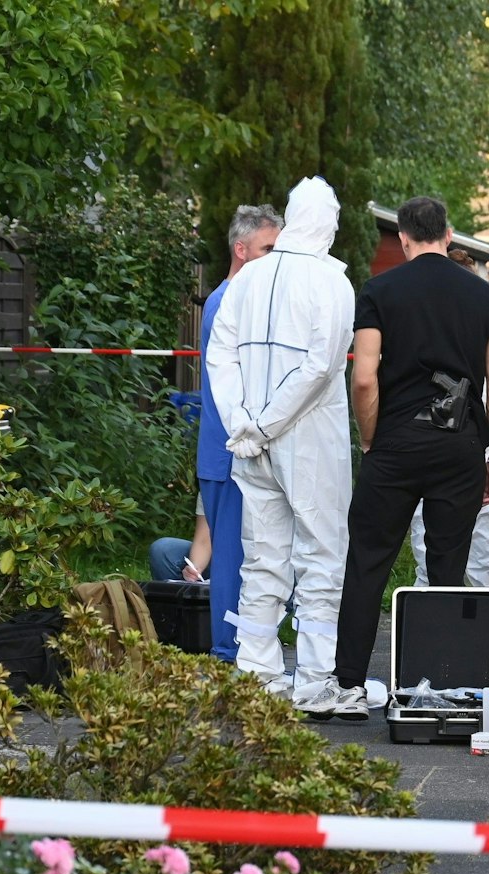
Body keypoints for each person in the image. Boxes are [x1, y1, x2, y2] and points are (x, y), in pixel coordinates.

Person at [330, 199, 489, 719]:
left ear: (405, 239)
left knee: (368, 560)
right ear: (449, 235)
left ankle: (347, 685)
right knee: (448, 565)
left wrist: (370, 440)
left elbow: (363, 377)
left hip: (395, 442)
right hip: (458, 446)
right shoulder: (487, 299)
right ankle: (436, 681)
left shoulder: (380, 291)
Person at [206, 176, 356, 715]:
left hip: (251, 441)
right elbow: (322, 366)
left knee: (263, 556)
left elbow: (219, 354)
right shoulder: (332, 283)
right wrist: (264, 423)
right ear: (328, 224)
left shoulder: (249, 278)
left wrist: (242, 421)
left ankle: (257, 672)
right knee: (320, 555)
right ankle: (315, 680)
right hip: (307, 437)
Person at [407, 247, 489, 587]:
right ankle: (487, 638)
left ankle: (425, 638)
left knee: (431, 562)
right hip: (486, 446)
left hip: (436, 444)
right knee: (484, 565)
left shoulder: (434, 317)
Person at [194, 204, 282, 662]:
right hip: (228, 451)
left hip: (235, 448)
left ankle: (243, 644)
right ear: (241, 250)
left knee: (249, 554)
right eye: (269, 248)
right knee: (230, 556)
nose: (277, 258)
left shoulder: (240, 300)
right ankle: (229, 650)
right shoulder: (227, 304)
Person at [149, 505, 211, 582]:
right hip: (217, 559)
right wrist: (195, 568)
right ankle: (171, 593)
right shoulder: (209, 494)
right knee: (162, 550)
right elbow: (203, 540)